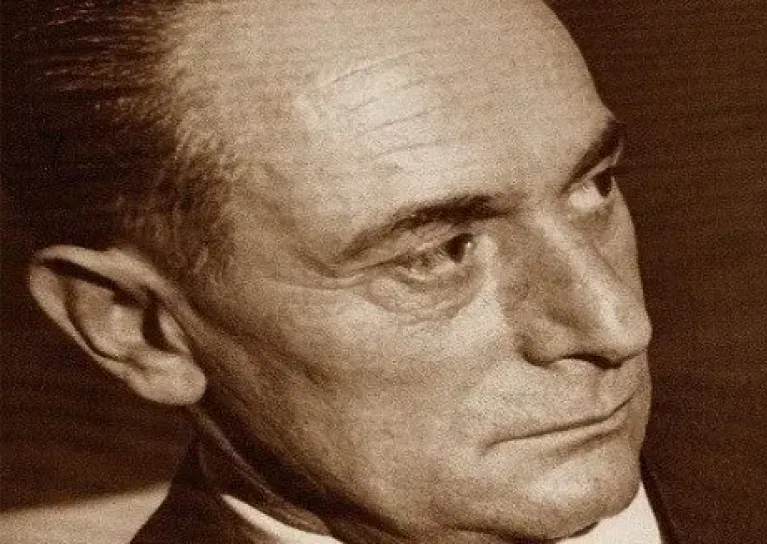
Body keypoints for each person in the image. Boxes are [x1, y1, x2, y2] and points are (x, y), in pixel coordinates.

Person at [22, 0, 674, 542]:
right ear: (139, 328)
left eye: (595, 185)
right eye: (436, 253)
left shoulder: (744, 446)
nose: (618, 324)